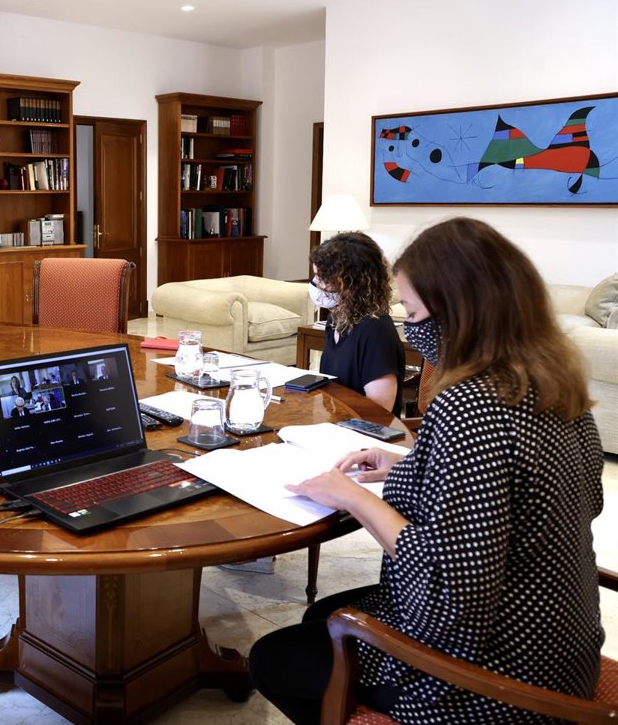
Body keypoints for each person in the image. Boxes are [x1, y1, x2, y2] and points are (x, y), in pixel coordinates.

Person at [249, 218, 604, 724]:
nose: (410, 328)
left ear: (459, 314)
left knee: (274, 658)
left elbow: (447, 589)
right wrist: (410, 466)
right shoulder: (557, 388)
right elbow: (548, 496)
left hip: (493, 680)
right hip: (563, 646)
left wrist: (352, 496)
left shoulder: (470, 406)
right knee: (320, 617)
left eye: (413, 313)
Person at [309, 231, 405, 414]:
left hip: (365, 428)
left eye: (321, 277)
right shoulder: (336, 320)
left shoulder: (375, 332)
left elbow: (378, 412)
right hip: (335, 421)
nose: (315, 283)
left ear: (349, 282)